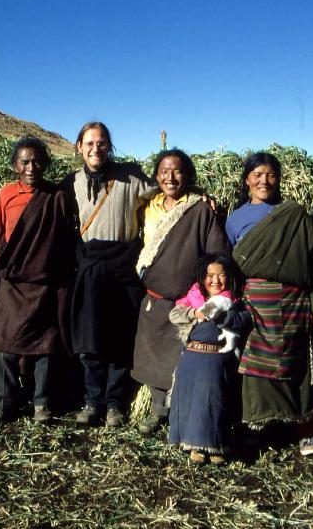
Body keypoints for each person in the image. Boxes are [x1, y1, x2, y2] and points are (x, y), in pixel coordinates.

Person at [225, 151, 313, 457]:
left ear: (279, 179)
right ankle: (257, 429)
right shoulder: (235, 220)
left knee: (299, 368)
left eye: (271, 175)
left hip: (294, 303)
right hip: (255, 304)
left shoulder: (296, 216)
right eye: (257, 175)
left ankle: (306, 432)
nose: (264, 181)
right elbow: (230, 266)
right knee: (254, 368)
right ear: (247, 180)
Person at [62, 121, 159, 427]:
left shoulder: (131, 177)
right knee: (90, 339)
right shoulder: (70, 182)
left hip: (123, 265)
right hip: (89, 267)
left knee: (119, 336)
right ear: (79, 147)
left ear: (109, 146)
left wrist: (199, 197)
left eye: (102, 143)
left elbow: (166, 191)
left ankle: (115, 404)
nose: (96, 149)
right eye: (90, 143)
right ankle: (92, 402)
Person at [131, 149, 230, 436]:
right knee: (153, 358)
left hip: (187, 302)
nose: (170, 177)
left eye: (177, 171)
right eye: (164, 171)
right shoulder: (147, 207)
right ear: (156, 175)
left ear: (187, 175)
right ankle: (158, 411)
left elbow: (215, 253)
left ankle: (182, 414)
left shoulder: (200, 210)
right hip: (155, 298)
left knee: (183, 360)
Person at [0, 136, 75, 425]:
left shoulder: (57, 196)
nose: (31, 167)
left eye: (37, 162)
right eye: (25, 162)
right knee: (2, 342)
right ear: (15, 166)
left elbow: (66, 241)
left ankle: (42, 404)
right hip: (12, 280)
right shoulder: (6, 194)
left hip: (45, 282)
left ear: (45, 164)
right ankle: (1, 405)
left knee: (45, 344)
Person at [168, 253, 249, 465]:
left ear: (229, 277)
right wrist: (195, 313)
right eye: (210, 276)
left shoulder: (235, 302)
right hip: (193, 360)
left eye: (221, 275)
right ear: (202, 278)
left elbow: (243, 320)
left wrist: (222, 315)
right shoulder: (193, 299)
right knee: (193, 402)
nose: (215, 281)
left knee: (216, 402)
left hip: (218, 361)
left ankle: (216, 446)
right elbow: (174, 315)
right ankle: (194, 446)